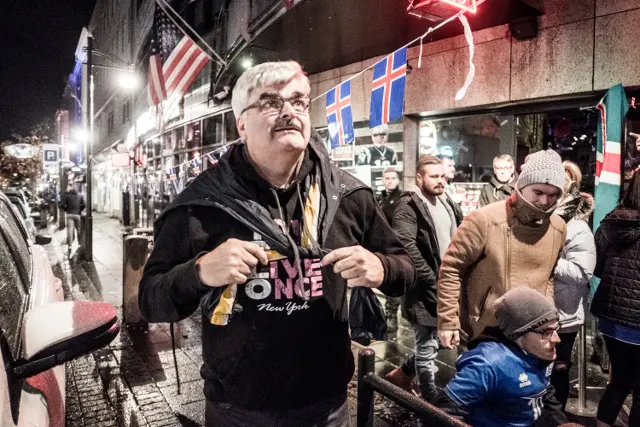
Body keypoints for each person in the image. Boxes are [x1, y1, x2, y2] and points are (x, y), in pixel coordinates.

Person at [138, 61, 415, 427]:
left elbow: (406, 269)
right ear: (241, 124)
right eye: (270, 102)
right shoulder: (202, 204)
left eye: (298, 101)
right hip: (238, 410)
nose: (289, 112)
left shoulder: (348, 195)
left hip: (328, 406)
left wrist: (382, 268)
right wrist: (200, 272)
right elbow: (151, 300)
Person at [437, 149, 567, 348]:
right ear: (522, 186)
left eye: (552, 194)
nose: (544, 201)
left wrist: (547, 312)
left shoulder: (558, 227)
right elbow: (451, 269)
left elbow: (548, 275)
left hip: (533, 329)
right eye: (538, 192)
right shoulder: (484, 219)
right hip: (485, 330)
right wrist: (448, 321)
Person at [384, 155, 462, 402]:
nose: (440, 181)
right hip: (423, 289)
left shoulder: (446, 201)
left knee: (439, 340)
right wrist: (431, 278)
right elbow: (406, 246)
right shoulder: (409, 206)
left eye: (442, 176)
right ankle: (431, 401)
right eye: (434, 176)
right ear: (419, 178)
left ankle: (402, 374)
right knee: (427, 345)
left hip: (447, 284)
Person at [437, 286, 568, 427]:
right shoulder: (488, 363)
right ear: (519, 333)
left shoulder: (541, 351)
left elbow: (543, 391)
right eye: (547, 332)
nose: (557, 339)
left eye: (556, 328)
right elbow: (444, 413)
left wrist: (561, 423)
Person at [591, 169, 640, 427]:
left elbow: (597, 267)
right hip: (637, 322)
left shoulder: (611, 221)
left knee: (619, 382)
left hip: (611, 318)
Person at [550, 161, 595, 410]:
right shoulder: (537, 217)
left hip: (563, 316)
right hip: (535, 312)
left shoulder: (577, 226)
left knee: (558, 374)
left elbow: (582, 271)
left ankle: (556, 419)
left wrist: (547, 260)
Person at [377, 167, 403, 331]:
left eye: (393, 178)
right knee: (389, 281)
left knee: (396, 281)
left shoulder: (402, 198)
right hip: (384, 246)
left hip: (399, 246)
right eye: (387, 178)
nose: (390, 181)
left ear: (398, 180)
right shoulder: (380, 198)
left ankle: (393, 316)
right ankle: (390, 316)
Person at [61, 183, 85, 257]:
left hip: (69, 215)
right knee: (79, 230)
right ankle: (80, 243)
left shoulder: (67, 195)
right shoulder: (80, 195)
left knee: (70, 231)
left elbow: (62, 205)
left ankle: (70, 246)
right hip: (77, 214)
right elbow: (84, 205)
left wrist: (66, 210)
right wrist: (79, 210)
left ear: (70, 188)